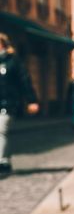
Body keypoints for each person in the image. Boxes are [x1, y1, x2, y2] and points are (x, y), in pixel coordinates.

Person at [0, 33, 39, 174]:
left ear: (2, 44)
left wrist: (32, 100)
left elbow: (24, 81)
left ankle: (2, 161)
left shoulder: (13, 62)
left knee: (1, 129)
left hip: (8, 103)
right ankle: (5, 159)